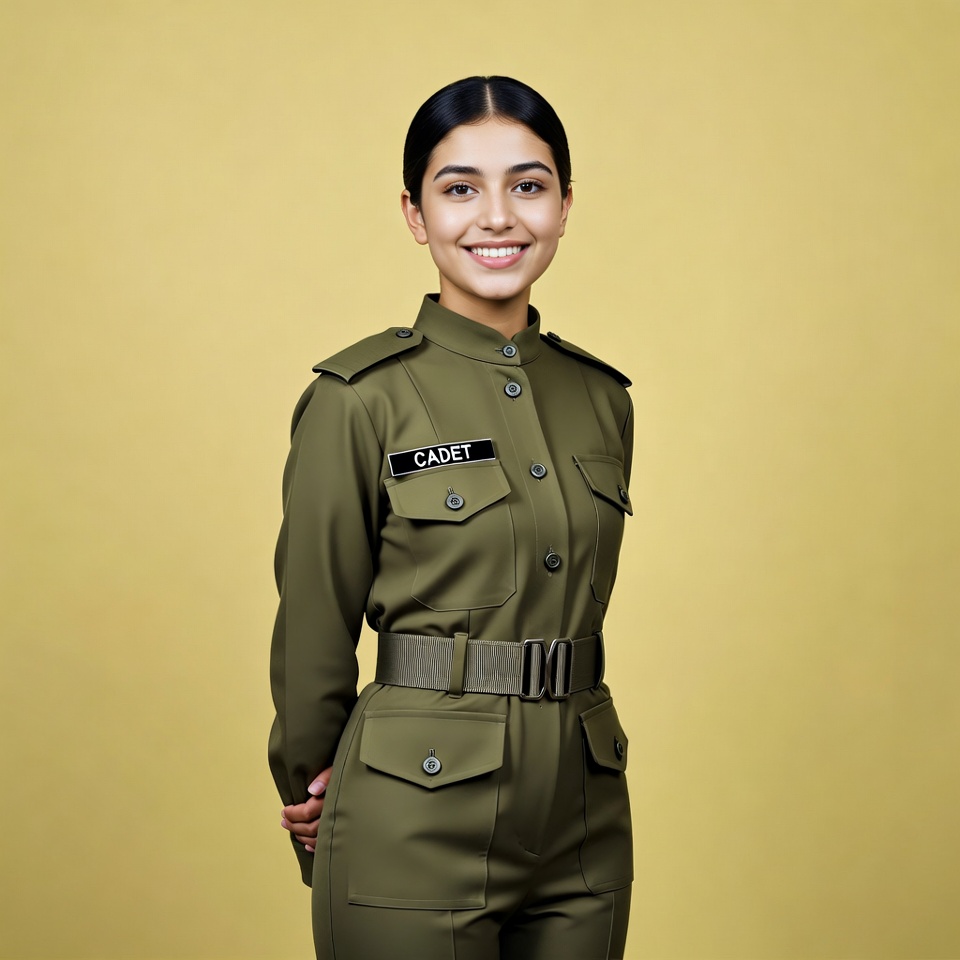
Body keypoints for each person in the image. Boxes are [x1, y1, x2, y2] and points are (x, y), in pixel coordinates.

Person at [269, 76, 634, 960]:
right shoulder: (360, 400)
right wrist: (312, 781)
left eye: (529, 185)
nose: (497, 216)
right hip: (413, 806)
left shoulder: (601, 397)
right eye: (460, 187)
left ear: (565, 204)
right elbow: (314, 621)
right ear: (415, 211)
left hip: (583, 815)